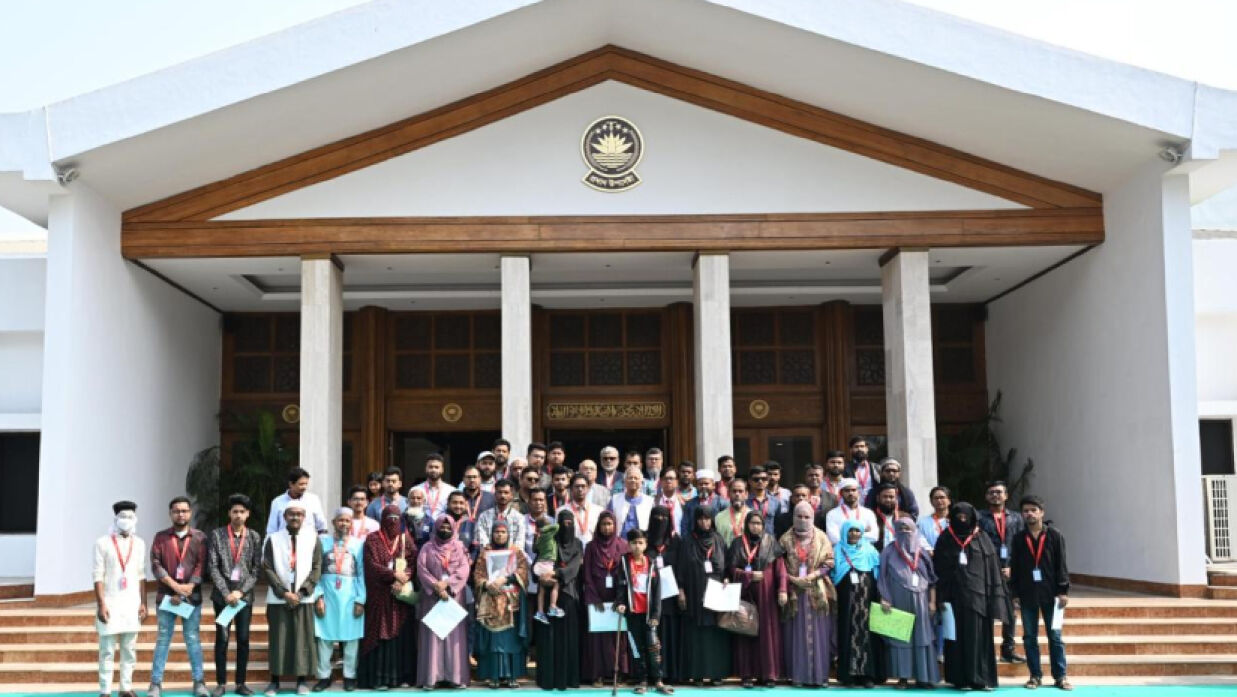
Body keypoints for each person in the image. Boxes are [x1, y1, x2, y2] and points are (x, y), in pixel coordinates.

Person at [934, 502, 1008, 691]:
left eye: (966, 516)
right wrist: (941, 597)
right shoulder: (945, 538)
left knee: (980, 639)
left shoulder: (982, 537)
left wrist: (993, 597)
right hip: (954, 598)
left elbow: (992, 570)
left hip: (980, 599)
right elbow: (938, 571)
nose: (962, 520)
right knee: (957, 639)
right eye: (958, 516)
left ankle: (981, 679)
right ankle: (962, 680)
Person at [1009, 495, 1071, 691]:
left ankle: (1060, 676)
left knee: (1055, 637)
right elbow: (1016, 567)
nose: (1029, 514)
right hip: (1027, 595)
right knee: (1029, 637)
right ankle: (1035, 675)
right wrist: (1015, 593)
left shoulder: (1054, 535)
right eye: (1025, 511)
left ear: (1041, 512)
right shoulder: (1019, 539)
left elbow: (1061, 565)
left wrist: (1063, 591)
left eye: (1033, 510)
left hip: (1052, 595)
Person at [149, 496, 209, 697]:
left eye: (184, 510)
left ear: (190, 513)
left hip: (191, 598)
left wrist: (189, 586)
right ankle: (155, 684)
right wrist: (175, 587)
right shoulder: (160, 537)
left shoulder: (200, 537)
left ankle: (199, 682)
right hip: (166, 598)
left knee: (192, 639)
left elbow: (202, 564)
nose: (180, 514)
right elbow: (156, 564)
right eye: (176, 511)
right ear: (170, 514)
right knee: (163, 639)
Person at [262, 502, 324, 697]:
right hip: (279, 599)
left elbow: (317, 567)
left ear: (304, 517)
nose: (295, 517)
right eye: (291, 514)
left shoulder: (313, 538)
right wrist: (283, 592)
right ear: (284, 516)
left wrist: (302, 592)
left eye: (299, 514)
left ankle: (302, 681)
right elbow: (267, 567)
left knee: (303, 640)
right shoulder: (272, 539)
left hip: (303, 599)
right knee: (278, 639)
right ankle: (274, 682)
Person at [207, 494, 263, 697]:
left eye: (242, 512)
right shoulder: (217, 535)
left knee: (243, 639)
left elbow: (257, 569)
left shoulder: (255, 537)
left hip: (244, 599)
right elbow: (212, 567)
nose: (238, 515)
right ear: (229, 513)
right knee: (222, 639)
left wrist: (240, 591)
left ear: (247, 514)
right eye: (234, 511)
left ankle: (241, 683)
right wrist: (226, 592)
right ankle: (221, 683)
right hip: (222, 598)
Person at [357, 505, 417, 691]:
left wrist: (404, 576)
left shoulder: (406, 539)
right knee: (379, 634)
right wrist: (393, 575)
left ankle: (401, 678)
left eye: (396, 517)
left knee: (401, 635)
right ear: (382, 519)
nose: (392, 520)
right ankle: (378, 678)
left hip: (400, 598)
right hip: (379, 595)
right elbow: (371, 565)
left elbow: (413, 561)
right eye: (388, 516)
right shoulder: (373, 539)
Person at [777, 502, 835, 687]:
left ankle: (819, 677)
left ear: (813, 518)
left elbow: (829, 562)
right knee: (796, 635)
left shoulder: (821, 537)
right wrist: (792, 580)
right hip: (794, 592)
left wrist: (814, 575)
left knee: (818, 634)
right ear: (793, 517)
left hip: (816, 591)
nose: (803, 520)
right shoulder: (785, 539)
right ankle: (798, 677)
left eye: (807, 517)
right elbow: (778, 565)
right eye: (799, 516)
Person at [878, 516, 939, 689]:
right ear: (896, 531)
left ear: (915, 530)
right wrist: (885, 597)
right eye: (901, 529)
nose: (905, 532)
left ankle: (924, 677)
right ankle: (903, 678)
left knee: (923, 638)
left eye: (908, 529)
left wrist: (932, 602)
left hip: (921, 601)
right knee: (900, 639)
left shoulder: (923, 552)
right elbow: (882, 577)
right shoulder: (888, 551)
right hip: (897, 601)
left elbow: (932, 579)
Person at [95, 501, 148, 697]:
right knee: (107, 651)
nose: (126, 520)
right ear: (115, 519)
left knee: (129, 649)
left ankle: (126, 688)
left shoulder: (140, 543)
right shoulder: (103, 542)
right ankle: (105, 691)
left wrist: (143, 602)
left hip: (132, 605)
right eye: (122, 516)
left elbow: (142, 575)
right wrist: (101, 604)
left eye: (129, 517)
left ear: (135, 519)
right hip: (109, 604)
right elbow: (97, 576)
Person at [725, 511, 782, 687]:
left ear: (763, 525)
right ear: (747, 524)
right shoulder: (737, 543)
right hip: (745, 594)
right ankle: (747, 674)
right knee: (745, 631)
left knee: (767, 633)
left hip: (767, 596)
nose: (755, 526)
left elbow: (780, 569)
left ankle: (768, 674)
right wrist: (748, 576)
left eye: (759, 523)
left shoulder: (771, 542)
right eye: (752, 523)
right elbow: (731, 569)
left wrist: (783, 590)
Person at [312, 508, 366, 692]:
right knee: (324, 639)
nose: (344, 524)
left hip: (350, 596)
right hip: (327, 595)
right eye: (340, 520)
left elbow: (362, 574)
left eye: (347, 521)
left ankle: (349, 676)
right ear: (334, 522)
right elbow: (316, 572)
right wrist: (318, 596)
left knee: (351, 639)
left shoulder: (359, 544)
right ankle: (324, 676)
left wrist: (361, 599)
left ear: (352, 524)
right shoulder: (322, 542)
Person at [677, 506, 732, 686]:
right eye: (700, 519)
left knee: (715, 634)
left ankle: (716, 674)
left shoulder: (718, 540)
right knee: (696, 635)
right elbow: (681, 568)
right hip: (694, 593)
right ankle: (698, 674)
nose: (704, 522)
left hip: (716, 593)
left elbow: (726, 566)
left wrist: (726, 578)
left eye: (708, 519)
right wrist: (681, 590)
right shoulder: (687, 541)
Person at [614, 529, 673, 695]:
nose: (637, 546)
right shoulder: (624, 562)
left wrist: (656, 615)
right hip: (633, 612)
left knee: (653, 646)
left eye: (640, 543)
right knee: (637, 648)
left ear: (646, 545)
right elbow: (621, 586)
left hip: (649, 614)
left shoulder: (651, 563)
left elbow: (657, 592)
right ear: (629, 544)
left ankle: (658, 680)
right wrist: (620, 603)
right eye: (634, 543)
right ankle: (642, 680)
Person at [416, 516, 471, 689]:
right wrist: (436, 587)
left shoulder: (460, 547)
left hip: (454, 596)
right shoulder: (427, 547)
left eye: (449, 526)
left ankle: (455, 678)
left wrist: (447, 585)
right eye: (442, 526)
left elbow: (464, 568)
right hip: (432, 597)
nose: (445, 529)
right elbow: (421, 569)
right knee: (433, 636)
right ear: (436, 527)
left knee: (454, 637)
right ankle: (432, 678)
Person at [474, 519, 530, 688]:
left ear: (508, 534)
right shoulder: (486, 552)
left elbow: (523, 572)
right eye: (496, 532)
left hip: (511, 603)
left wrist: (507, 578)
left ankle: (512, 675)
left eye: (503, 532)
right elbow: (478, 574)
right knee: (494, 640)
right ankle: (494, 676)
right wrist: (486, 584)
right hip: (491, 600)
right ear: (492, 534)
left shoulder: (516, 551)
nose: (499, 535)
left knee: (510, 641)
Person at [533, 510, 585, 691]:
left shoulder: (578, 544)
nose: (566, 526)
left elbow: (574, 567)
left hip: (568, 594)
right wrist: (539, 575)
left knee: (566, 638)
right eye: (563, 522)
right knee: (549, 638)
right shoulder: (551, 539)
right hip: (547, 594)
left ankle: (567, 678)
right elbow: (539, 560)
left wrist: (555, 573)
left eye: (570, 523)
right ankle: (547, 678)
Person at [978, 480, 1025, 663]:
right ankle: (986, 650)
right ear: (986, 496)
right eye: (991, 492)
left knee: (1010, 612)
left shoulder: (1016, 518)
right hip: (988, 572)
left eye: (999, 492)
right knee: (987, 611)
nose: (995, 495)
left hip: (1010, 571)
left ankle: (1008, 649)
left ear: (1006, 496)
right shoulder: (980, 518)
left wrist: (1014, 568)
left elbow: (1022, 545)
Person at [581, 511, 630, 685]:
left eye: (610, 524)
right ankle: (598, 674)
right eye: (603, 524)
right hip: (597, 600)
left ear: (615, 525)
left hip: (617, 600)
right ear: (598, 526)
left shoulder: (623, 546)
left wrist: (620, 598)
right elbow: (586, 574)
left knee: (618, 638)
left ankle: (618, 673)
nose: (606, 527)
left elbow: (626, 575)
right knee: (597, 639)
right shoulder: (591, 547)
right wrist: (595, 599)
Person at [833, 519, 883, 688]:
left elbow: (878, 570)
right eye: (851, 530)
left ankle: (867, 674)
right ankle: (850, 675)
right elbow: (834, 573)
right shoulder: (838, 549)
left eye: (857, 531)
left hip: (867, 599)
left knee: (867, 633)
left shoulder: (870, 550)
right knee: (848, 632)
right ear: (845, 532)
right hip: (846, 601)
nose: (854, 534)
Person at [645, 505, 683, 684]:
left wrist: (681, 589)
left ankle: (669, 672)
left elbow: (682, 567)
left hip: (671, 595)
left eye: (664, 517)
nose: (660, 520)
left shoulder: (675, 542)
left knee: (669, 632)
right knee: (652, 631)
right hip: (649, 595)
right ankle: (652, 673)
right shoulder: (644, 540)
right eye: (656, 517)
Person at [268, 467, 329, 535]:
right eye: (301, 484)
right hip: (284, 543)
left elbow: (322, 527)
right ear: (291, 484)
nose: (304, 487)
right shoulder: (277, 502)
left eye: (306, 484)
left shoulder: (313, 500)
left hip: (309, 542)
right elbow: (271, 530)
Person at [476, 479, 527, 551]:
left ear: (511, 495)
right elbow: (482, 541)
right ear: (495, 494)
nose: (502, 496)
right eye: (500, 492)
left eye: (506, 493)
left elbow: (519, 542)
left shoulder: (519, 518)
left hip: (512, 557)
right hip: (490, 556)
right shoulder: (484, 516)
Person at [532, 513, 564, 623]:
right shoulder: (548, 534)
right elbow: (557, 526)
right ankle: (552, 606)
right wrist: (545, 528)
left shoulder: (538, 537)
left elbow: (534, 549)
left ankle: (540, 612)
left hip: (538, 565)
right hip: (547, 565)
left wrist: (538, 532)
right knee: (555, 583)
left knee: (541, 588)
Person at [825, 478, 878, 544]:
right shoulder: (832, 514)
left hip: (864, 552)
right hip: (841, 552)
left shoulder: (868, 513)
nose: (851, 493)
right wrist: (862, 532)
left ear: (858, 492)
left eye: (853, 490)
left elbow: (874, 536)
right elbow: (834, 539)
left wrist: (843, 533)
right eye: (847, 490)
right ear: (841, 493)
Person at [678, 469, 729, 537]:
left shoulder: (722, 503)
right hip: (694, 543)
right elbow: (685, 526)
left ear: (713, 485)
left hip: (715, 542)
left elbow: (726, 527)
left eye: (706, 484)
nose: (703, 486)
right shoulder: (690, 504)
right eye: (700, 484)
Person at [559, 474, 603, 544]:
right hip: (571, 552)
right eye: (577, 486)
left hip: (593, 552)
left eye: (583, 486)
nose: (580, 489)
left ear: (588, 488)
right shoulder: (561, 511)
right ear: (571, 489)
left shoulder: (599, 510)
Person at [610, 467, 653, 538]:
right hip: (620, 542)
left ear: (641, 482)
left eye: (636, 478)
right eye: (630, 478)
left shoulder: (650, 502)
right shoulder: (615, 499)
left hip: (642, 543)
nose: (633, 480)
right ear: (624, 481)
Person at [414, 454, 456, 521]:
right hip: (421, 529)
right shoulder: (416, 490)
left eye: (437, 467)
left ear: (442, 469)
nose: (433, 470)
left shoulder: (451, 491)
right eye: (430, 467)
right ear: (426, 468)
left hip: (444, 528)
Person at [714, 478, 751, 545]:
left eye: (740, 491)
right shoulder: (719, 517)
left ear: (746, 494)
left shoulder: (752, 516)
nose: (737, 494)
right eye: (734, 491)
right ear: (728, 494)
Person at [652, 469, 685, 539]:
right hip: (660, 542)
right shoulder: (654, 502)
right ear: (660, 481)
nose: (668, 481)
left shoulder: (683, 503)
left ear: (677, 482)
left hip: (679, 541)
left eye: (671, 478)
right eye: (665, 478)